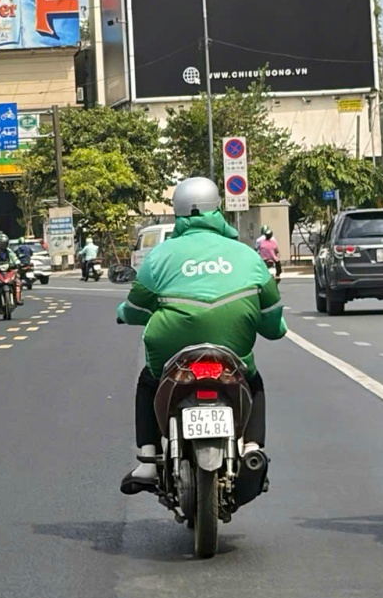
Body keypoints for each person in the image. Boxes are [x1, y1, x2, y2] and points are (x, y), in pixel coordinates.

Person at [117, 177, 286, 494]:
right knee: (253, 380)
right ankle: (251, 448)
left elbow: (136, 308)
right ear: (218, 209)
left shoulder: (161, 255)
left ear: (178, 213)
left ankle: (148, 461)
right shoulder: (246, 255)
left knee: (149, 380)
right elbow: (271, 318)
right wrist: (275, 330)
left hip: (172, 346)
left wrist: (123, 315)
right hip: (231, 348)